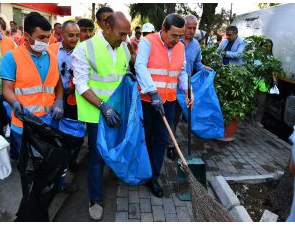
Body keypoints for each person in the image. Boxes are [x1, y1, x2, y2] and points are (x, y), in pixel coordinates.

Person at [72, 11, 131, 221]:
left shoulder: (123, 46)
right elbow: (80, 84)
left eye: (127, 34)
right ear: (106, 27)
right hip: (97, 114)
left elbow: (122, 72)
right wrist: (103, 106)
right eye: (122, 34)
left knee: (114, 148)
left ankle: (115, 174)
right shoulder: (83, 49)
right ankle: (95, 199)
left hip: (117, 112)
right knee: (96, 157)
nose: (125, 39)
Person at [135, 13, 194, 198]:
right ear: (163, 30)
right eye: (174, 35)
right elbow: (140, 66)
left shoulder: (180, 47)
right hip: (147, 101)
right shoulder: (148, 41)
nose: (177, 40)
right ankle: (141, 172)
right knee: (145, 138)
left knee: (160, 139)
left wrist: (187, 91)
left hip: (168, 101)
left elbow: (182, 71)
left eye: (180, 36)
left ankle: (154, 177)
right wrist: (152, 92)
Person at [0, 12, 64, 160]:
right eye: (41, 37)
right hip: (24, 125)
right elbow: (7, 89)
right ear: (27, 36)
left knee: (45, 165)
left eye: (48, 36)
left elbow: (58, 82)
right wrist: (15, 103)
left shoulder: (52, 57)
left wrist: (59, 101)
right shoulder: (12, 57)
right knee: (27, 167)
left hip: (48, 123)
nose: (46, 41)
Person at [167, 14, 212, 160]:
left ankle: (170, 145)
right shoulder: (173, 40)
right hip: (168, 85)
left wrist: (203, 67)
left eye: (194, 28)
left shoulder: (196, 45)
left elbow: (197, 63)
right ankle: (165, 142)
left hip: (184, 88)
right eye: (189, 28)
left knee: (176, 117)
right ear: (183, 27)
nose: (192, 31)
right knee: (167, 117)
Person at [47, 20, 81, 192]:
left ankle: (69, 162)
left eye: (77, 35)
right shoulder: (50, 50)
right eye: (71, 35)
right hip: (55, 103)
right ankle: (57, 181)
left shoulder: (83, 52)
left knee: (73, 140)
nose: (75, 38)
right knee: (56, 141)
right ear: (61, 35)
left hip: (76, 104)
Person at [0, 14, 16, 135]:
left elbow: (17, 65)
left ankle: (14, 153)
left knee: (14, 126)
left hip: (10, 94)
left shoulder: (9, 42)